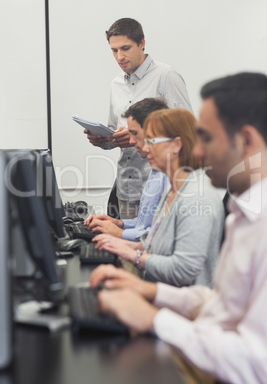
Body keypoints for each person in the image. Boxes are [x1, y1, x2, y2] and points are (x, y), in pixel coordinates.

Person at [90, 72, 267, 383]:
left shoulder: (219, 204)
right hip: (202, 344)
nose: (198, 153)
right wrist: (149, 290)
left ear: (247, 140)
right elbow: (219, 302)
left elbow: (255, 363)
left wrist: (155, 320)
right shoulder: (242, 214)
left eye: (207, 139)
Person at [94, 108, 224, 288]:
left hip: (184, 306)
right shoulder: (173, 189)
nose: (145, 148)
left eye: (152, 141)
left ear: (177, 145)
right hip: (164, 292)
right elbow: (155, 245)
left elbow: (182, 270)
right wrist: (121, 246)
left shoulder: (197, 196)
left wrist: (133, 255)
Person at [84, 18, 193, 219]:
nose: (119, 56)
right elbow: (114, 130)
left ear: (142, 43)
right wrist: (104, 140)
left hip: (159, 187)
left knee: (152, 246)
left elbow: (188, 133)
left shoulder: (166, 77)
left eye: (125, 48)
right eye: (114, 50)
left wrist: (140, 135)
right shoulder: (116, 84)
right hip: (126, 188)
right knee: (126, 241)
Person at [84, 98, 170, 242]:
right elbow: (144, 224)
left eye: (134, 133)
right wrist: (118, 223)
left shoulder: (170, 176)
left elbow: (160, 237)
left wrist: (119, 234)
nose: (130, 142)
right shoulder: (156, 170)